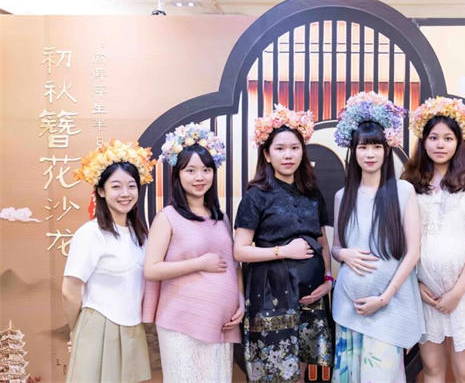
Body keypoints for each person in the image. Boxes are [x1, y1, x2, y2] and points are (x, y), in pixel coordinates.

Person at [234, 105, 333, 383]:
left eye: (294, 148)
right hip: (270, 292)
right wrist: (284, 251)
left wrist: (327, 278)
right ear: (267, 154)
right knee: (277, 370)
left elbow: (321, 241)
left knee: (300, 366)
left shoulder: (311, 192)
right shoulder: (256, 195)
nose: (287, 155)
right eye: (279, 149)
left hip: (310, 293)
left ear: (302, 152)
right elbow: (240, 250)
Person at [331, 91, 424, 383]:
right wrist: (343, 254)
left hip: (389, 305)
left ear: (386, 150)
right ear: (354, 151)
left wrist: (384, 298)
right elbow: (336, 248)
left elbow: (413, 252)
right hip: (350, 307)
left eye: (376, 147)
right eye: (363, 147)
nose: (369, 154)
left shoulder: (403, 191)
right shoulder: (342, 196)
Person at [402, 96, 465, 383]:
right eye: (433, 138)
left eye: (448, 138)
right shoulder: (408, 185)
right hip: (425, 291)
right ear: (423, 141)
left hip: (464, 291)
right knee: (431, 369)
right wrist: (415, 284)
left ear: (458, 142)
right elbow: (401, 242)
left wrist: (457, 292)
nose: (440, 144)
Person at [142, 123, 243, 382]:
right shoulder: (168, 217)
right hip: (181, 322)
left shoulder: (220, 217)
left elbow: (233, 266)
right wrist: (199, 263)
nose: (200, 177)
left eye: (206, 170)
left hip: (220, 322)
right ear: (177, 175)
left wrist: (240, 302)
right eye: (191, 170)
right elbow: (151, 269)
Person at [62, 140, 154, 383]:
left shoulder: (141, 235)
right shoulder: (90, 234)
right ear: (101, 191)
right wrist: (75, 330)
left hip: (133, 328)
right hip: (98, 328)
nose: (125, 193)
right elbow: (70, 290)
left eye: (131, 186)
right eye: (116, 186)